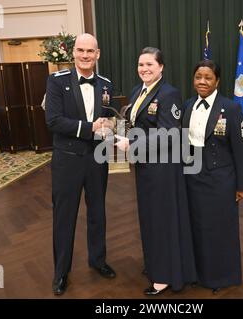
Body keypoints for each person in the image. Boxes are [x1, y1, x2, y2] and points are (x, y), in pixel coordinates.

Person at [116, 47, 196, 295]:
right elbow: (136, 124)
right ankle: (155, 264)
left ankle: (164, 277)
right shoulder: (137, 91)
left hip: (163, 168)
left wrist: (132, 144)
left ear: (161, 67)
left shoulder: (169, 93)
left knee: (162, 220)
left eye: (150, 64)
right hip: (145, 166)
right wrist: (121, 133)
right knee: (149, 218)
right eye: (141, 64)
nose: (144, 69)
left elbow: (169, 134)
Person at [45, 33, 116, 296]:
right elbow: (53, 121)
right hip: (67, 161)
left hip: (98, 160)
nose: (85, 55)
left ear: (98, 54)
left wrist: (109, 125)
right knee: (64, 218)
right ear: (73, 53)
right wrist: (89, 128)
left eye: (90, 51)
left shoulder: (106, 84)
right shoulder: (56, 81)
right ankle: (61, 272)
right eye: (80, 50)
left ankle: (98, 261)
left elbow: (108, 117)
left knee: (98, 213)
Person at [182, 60, 243, 293]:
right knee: (197, 226)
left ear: (217, 81)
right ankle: (198, 273)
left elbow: (239, 150)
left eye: (208, 77)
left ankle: (222, 277)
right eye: (198, 76)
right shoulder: (187, 105)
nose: (202, 81)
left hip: (221, 179)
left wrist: (242, 185)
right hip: (192, 176)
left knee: (220, 228)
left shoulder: (230, 108)